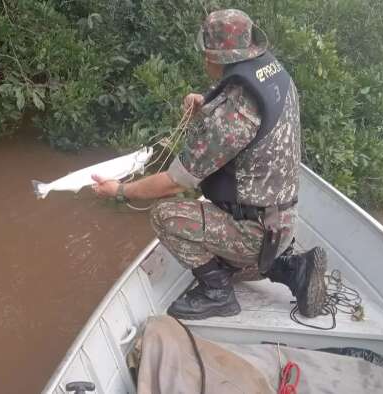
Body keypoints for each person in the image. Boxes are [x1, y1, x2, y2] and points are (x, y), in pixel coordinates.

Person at [92, 9, 327, 320]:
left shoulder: (234, 113)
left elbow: (177, 181)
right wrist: (206, 106)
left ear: (222, 56)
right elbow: (244, 124)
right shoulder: (274, 74)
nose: (205, 61)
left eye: (207, 54)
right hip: (280, 219)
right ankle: (292, 268)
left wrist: (120, 190)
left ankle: (217, 292)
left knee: (166, 217)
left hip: (255, 229)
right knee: (228, 242)